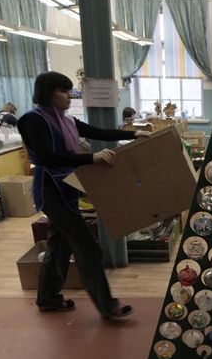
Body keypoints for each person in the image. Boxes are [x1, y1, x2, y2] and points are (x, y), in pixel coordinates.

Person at [17, 71, 150, 319]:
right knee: (88, 248)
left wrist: (133, 134)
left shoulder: (66, 121)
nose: (69, 96)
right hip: (50, 189)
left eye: (70, 91)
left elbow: (97, 131)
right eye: (63, 91)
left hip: (66, 187)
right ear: (48, 93)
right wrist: (91, 158)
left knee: (59, 245)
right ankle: (108, 306)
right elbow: (47, 157)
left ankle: (47, 298)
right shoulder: (33, 120)